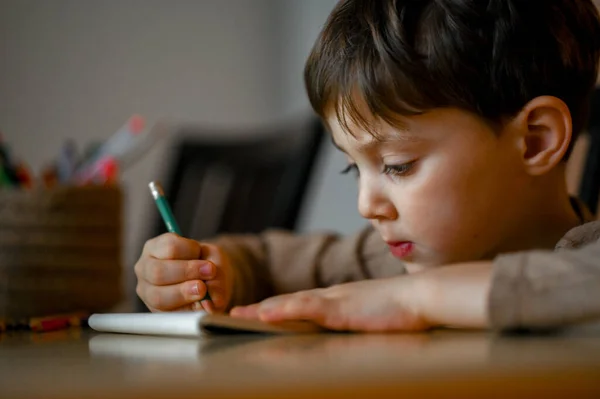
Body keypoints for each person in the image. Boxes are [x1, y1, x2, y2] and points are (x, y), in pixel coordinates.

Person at [135, 0, 600, 332]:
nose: (366, 205)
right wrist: (212, 271)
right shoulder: (396, 258)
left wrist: (408, 299)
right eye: (353, 168)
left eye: (397, 165)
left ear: (534, 140)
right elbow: (265, 260)